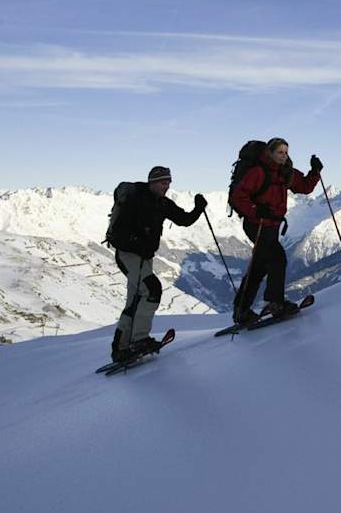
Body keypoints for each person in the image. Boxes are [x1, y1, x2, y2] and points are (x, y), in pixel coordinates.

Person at [106, 166, 206, 362]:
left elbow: (183, 220)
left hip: (144, 258)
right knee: (152, 290)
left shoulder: (162, 203)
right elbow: (118, 234)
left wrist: (198, 208)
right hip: (129, 255)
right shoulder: (135, 199)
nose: (166, 186)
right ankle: (139, 340)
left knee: (135, 300)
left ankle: (121, 348)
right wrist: (137, 244)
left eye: (168, 182)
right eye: (162, 182)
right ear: (152, 182)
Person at [228, 138, 322, 325]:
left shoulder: (285, 171)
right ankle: (275, 303)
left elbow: (303, 187)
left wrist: (315, 172)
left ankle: (241, 310)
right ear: (269, 152)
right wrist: (255, 211)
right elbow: (237, 196)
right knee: (277, 258)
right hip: (257, 224)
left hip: (272, 225)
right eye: (280, 152)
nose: (284, 156)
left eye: (286, 152)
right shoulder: (258, 172)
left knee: (260, 266)